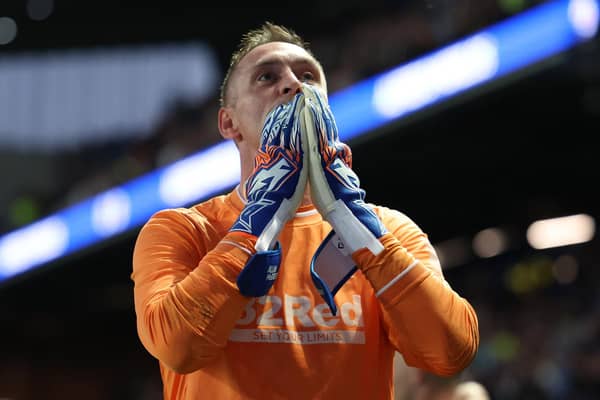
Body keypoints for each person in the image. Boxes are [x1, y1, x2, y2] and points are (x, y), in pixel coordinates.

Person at [131, 21, 480, 400]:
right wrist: (255, 224)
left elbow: (451, 353)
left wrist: (359, 229)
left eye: (308, 75)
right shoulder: (181, 230)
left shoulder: (390, 229)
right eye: (266, 77)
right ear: (229, 123)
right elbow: (177, 347)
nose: (294, 85)